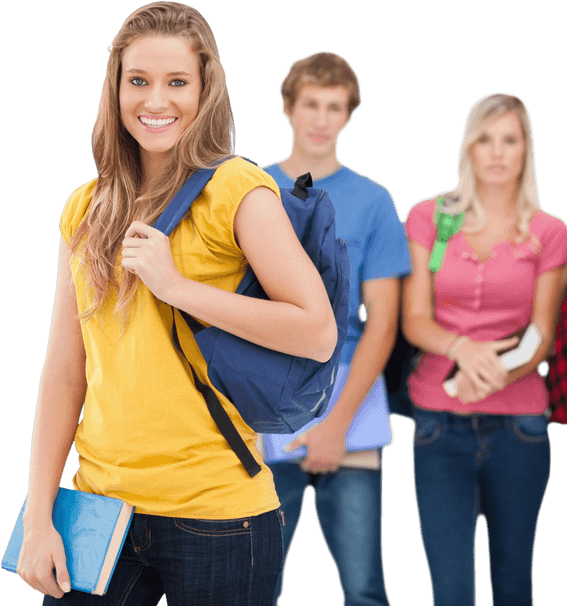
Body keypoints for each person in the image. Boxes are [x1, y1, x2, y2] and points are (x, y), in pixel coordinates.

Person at [15, 3, 338, 604]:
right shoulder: (85, 208)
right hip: (99, 510)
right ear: (115, 88)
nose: (155, 100)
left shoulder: (237, 190)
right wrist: (38, 517)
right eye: (138, 81)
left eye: (177, 82)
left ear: (205, 89)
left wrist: (178, 287)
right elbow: (64, 374)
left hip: (220, 516)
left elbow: (317, 331)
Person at [401, 92, 567, 606]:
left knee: (514, 586)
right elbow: (413, 318)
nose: (497, 153)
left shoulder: (549, 233)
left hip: (519, 429)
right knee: (450, 591)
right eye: (485, 140)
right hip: (438, 425)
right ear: (468, 149)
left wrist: (494, 371)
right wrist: (463, 351)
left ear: (526, 151)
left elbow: (543, 332)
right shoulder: (430, 217)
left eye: (510, 141)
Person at [259, 51, 410, 606]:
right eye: (311, 105)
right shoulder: (249, 190)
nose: (321, 119)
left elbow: (383, 323)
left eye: (335, 107)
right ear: (288, 108)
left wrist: (335, 426)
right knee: (254, 584)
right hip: (265, 401)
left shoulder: (374, 202)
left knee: (365, 588)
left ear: (349, 116)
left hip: (350, 401)